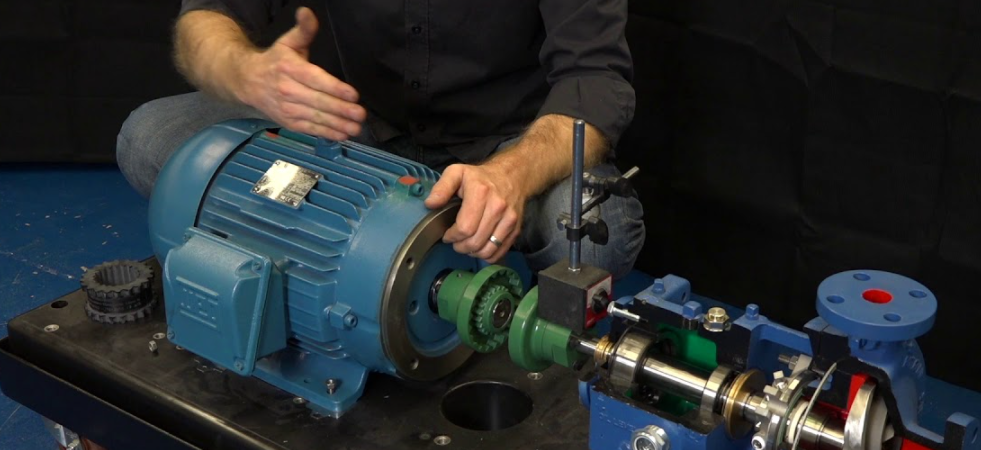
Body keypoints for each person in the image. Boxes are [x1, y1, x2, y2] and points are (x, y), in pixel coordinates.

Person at [117, 1, 645, 277]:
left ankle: (339, 234)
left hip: (505, 148)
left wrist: (512, 175)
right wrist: (245, 71)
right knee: (149, 138)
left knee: (595, 237)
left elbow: (596, 79)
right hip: (353, 135)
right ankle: (366, 250)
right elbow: (205, 17)